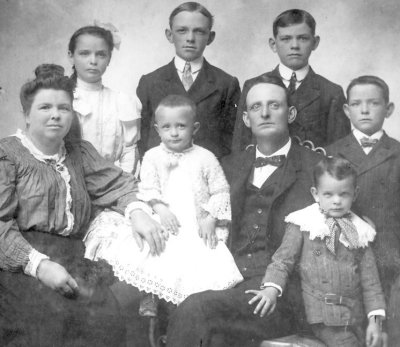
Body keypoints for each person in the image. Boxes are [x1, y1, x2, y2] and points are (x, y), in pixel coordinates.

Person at [0, 64, 163, 347]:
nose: (55, 115)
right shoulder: (8, 155)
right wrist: (39, 266)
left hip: (74, 257)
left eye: (63, 108)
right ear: (27, 115)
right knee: (43, 330)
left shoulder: (79, 152)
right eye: (45, 107)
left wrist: (137, 212)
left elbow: (119, 185)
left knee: (107, 325)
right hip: (20, 262)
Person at [165, 75, 322, 347]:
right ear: (246, 118)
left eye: (274, 105)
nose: (264, 113)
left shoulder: (316, 168)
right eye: (255, 107)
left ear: (291, 113)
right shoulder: (226, 166)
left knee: (196, 309)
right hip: (228, 281)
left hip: (283, 293)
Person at [84, 94, 243, 316]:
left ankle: (184, 306)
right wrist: (160, 209)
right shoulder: (152, 156)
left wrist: (210, 218)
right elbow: (147, 190)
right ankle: (151, 294)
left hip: (196, 219)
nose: (174, 132)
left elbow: (220, 190)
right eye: (167, 127)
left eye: (181, 126)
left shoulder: (206, 157)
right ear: (157, 130)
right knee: (156, 245)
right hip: (163, 214)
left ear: (194, 128)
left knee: (198, 256)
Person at [259, 156, 385, 347]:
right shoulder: (303, 224)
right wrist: (271, 288)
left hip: (353, 318)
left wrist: (375, 324)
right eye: (328, 194)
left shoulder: (360, 232)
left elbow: (372, 284)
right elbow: (282, 261)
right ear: (316, 194)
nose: (336, 201)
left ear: (355, 194)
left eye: (344, 194)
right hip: (318, 316)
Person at [326, 75, 400, 346]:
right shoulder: (331, 153)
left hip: (390, 255)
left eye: (374, 103)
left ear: (389, 109)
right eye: (357, 104)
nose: (365, 110)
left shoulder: (398, 153)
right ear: (347, 110)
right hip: (345, 256)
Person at [232, 9, 350, 152]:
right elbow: (239, 147)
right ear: (273, 44)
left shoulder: (331, 92)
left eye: (303, 38)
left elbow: (340, 152)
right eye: (286, 39)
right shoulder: (253, 86)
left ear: (315, 42)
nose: (294, 45)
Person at [137, 2, 241, 159]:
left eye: (199, 32)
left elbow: (232, 140)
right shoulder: (150, 82)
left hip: (206, 175)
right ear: (169, 35)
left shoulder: (226, 84)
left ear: (210, 37)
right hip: (163, 175)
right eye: (182, 31)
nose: (190, 38)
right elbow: (141, 137)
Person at [68, 24, 140, 173]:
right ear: (71, 56)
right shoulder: (63, 98)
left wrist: (120, 185)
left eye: (101, 54)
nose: (93, 61)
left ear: (109, 59)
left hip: (112, 184)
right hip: (70, 180)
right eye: (84, 53)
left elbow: (129, 151)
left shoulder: (120, 101)